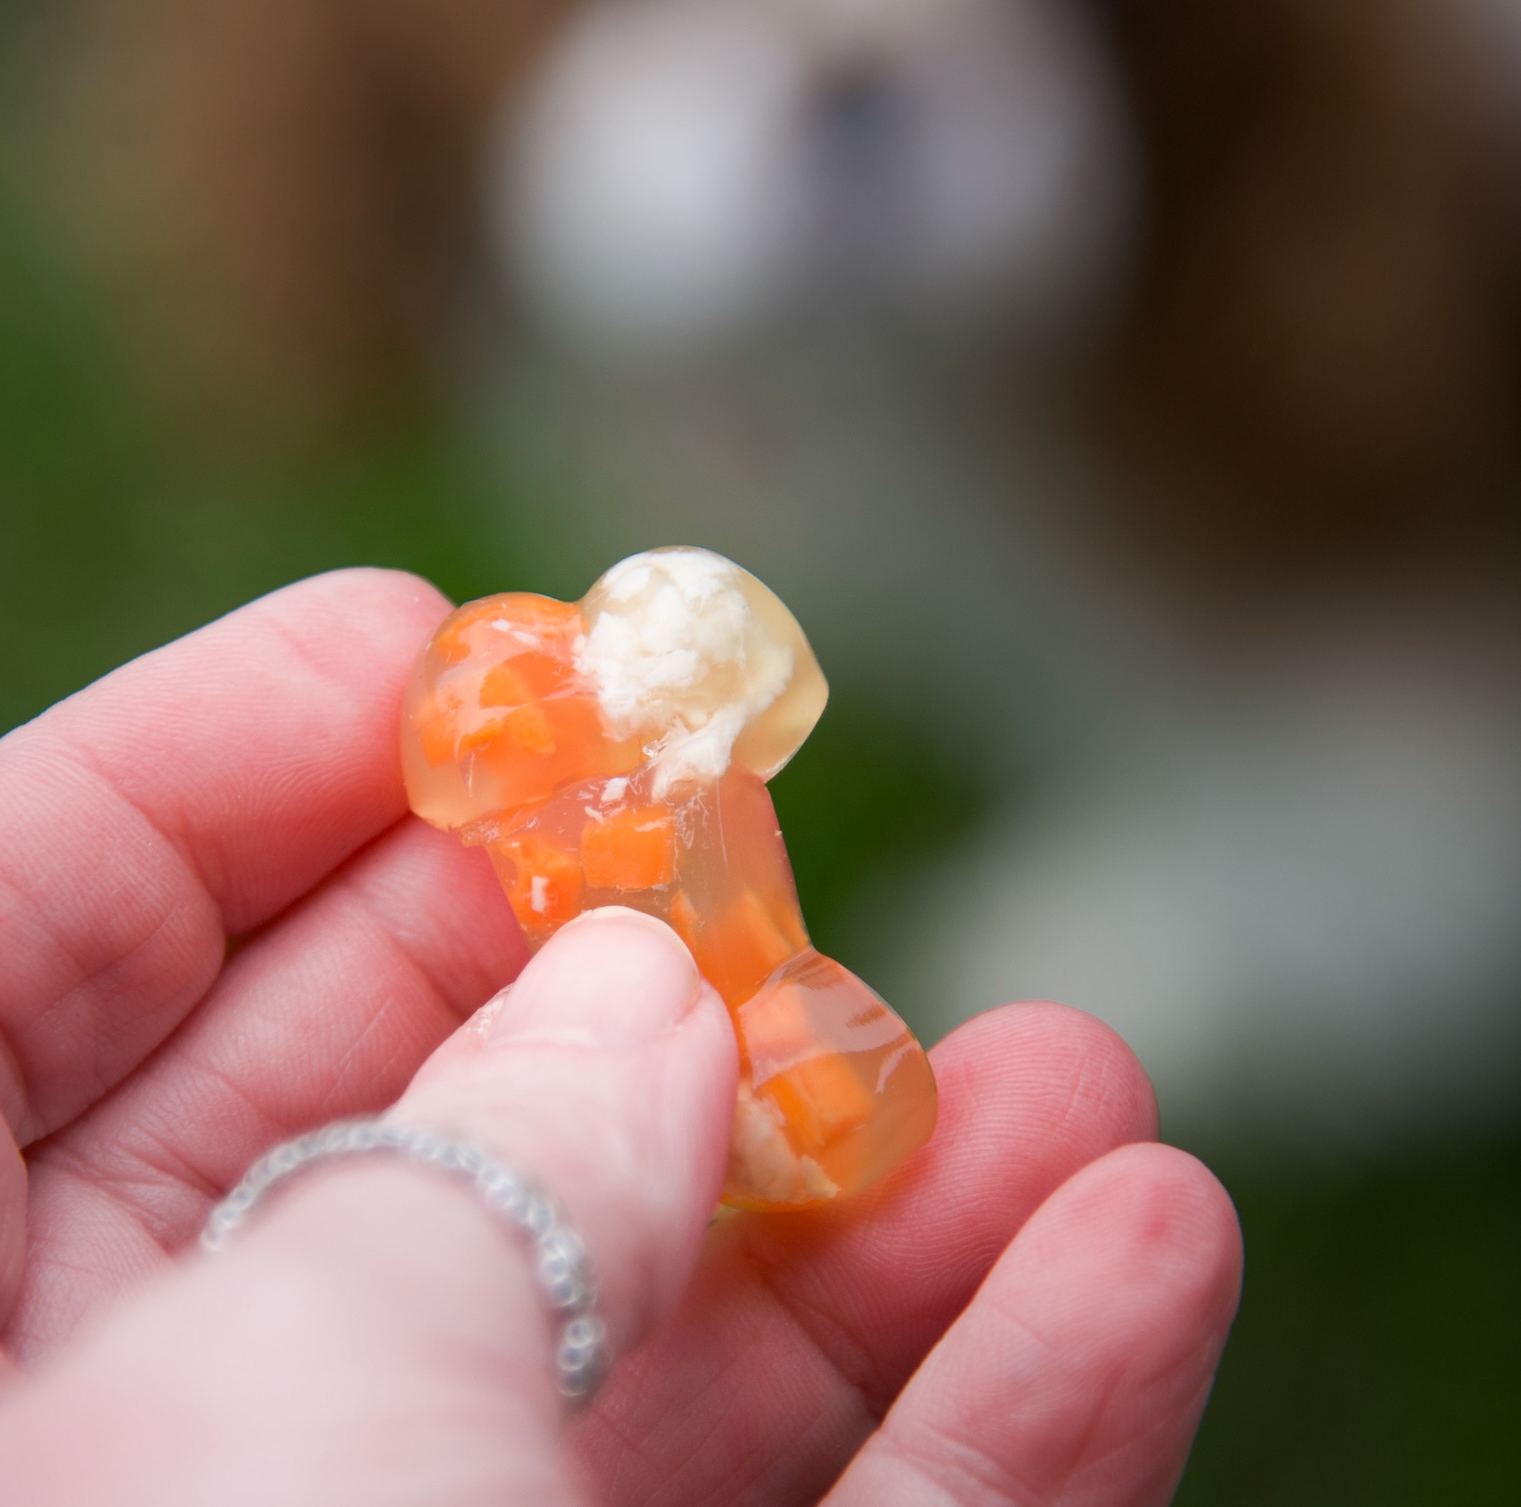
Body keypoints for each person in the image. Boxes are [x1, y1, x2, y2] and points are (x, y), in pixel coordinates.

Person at [0, 568, 1241, 1503]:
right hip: (694, 1039)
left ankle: (800, 1083)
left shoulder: (678, 776)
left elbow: (755, 727)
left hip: (741, 1003)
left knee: (821, 1048)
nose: (501, 748)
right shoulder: (559, 807)